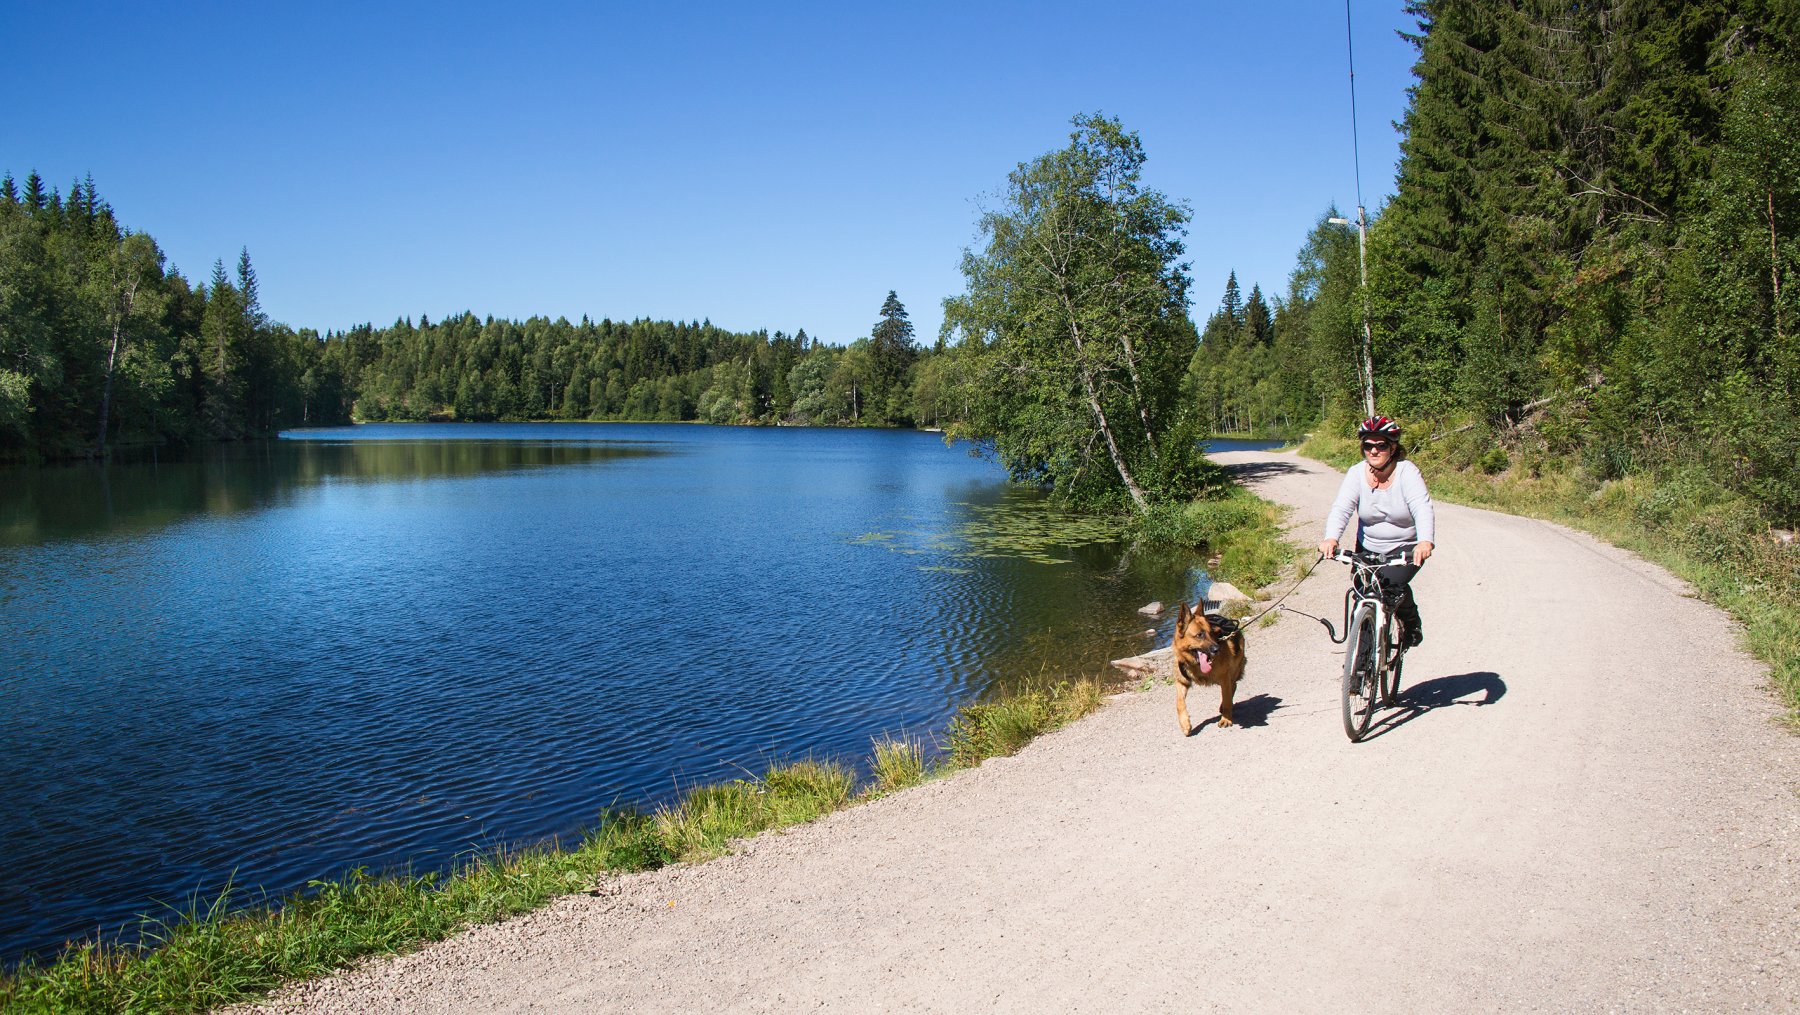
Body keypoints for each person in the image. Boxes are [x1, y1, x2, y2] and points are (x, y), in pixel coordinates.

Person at [1317, 415, 1435, 647]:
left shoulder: (1406, 472)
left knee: (1390, 588)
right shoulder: (1356, 473)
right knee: (1363, 597)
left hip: (1404, 548)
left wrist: (1425, 541)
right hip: (1368, 546)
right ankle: (1359, 661)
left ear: (1393, 447)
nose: (1373, 450)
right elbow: (1342, 508)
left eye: (1381, 445)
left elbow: (1422, 507)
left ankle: (1411, 622)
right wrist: (1331, 538)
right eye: (1368, 445)